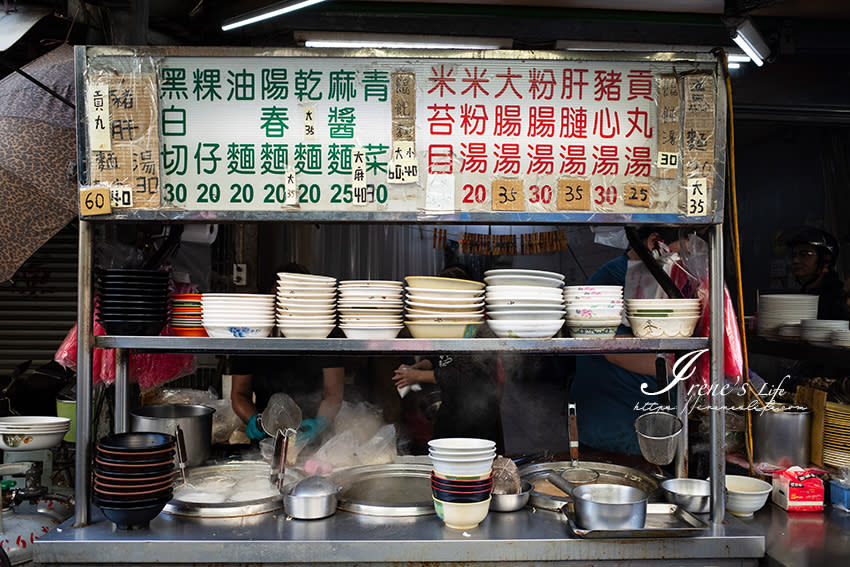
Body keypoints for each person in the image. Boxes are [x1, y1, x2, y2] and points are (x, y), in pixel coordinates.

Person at [569, 226, 682, 457]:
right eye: (683, 252)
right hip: (612, 418)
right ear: (654, 241)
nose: (685, 260)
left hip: (644, 412)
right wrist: (685, 368)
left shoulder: (658, 278)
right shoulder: (614, 278)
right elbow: (615, 350)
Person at [390, 264, 505, 453]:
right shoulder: (444, 319)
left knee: (476, 468)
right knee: (443, 462)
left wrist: (417, 376)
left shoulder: (476, 326)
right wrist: (419, 365)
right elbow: (438, 356)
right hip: (451, 408)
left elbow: (460, 374)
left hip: (478, 413)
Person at [231, 262, 346, 445]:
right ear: (270, 295)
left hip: (313, 437)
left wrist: (320, 423)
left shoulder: (324, 332)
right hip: (267, 436)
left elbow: (333, 394)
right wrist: (254, 420)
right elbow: (239, 393)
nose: (286, 304)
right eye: (280, 296)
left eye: (296, 297)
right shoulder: (251, 333)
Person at [786, 227, 849, 320]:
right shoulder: (805, 292)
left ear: (826, 262)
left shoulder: (839, 298)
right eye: (793, 255)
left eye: (805, 254)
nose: (795, 260)